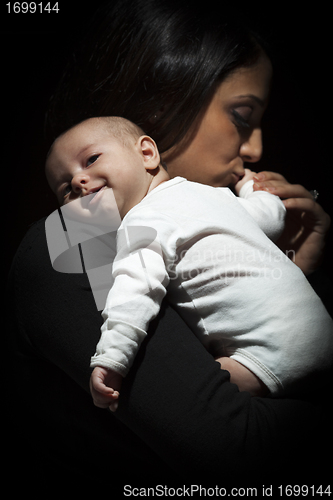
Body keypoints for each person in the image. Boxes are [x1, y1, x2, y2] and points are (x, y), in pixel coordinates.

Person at [8, 0, 332, 488]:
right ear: (164, 99)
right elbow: (244, 451)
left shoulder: (195, 215)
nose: (256, 149)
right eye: (243, 115)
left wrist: (286, 271)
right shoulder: (76, 239)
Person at [45, 115, 333, 409]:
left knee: (177, 397)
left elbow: (133, 293)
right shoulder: (214, 195)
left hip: (266, 355)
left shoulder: (142, 222)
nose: (78, 182)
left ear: (147, 154)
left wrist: (111, 358)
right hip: (322, 329)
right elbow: (269, 216)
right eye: (65, 189)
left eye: (91, 159)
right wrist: (251, 189)